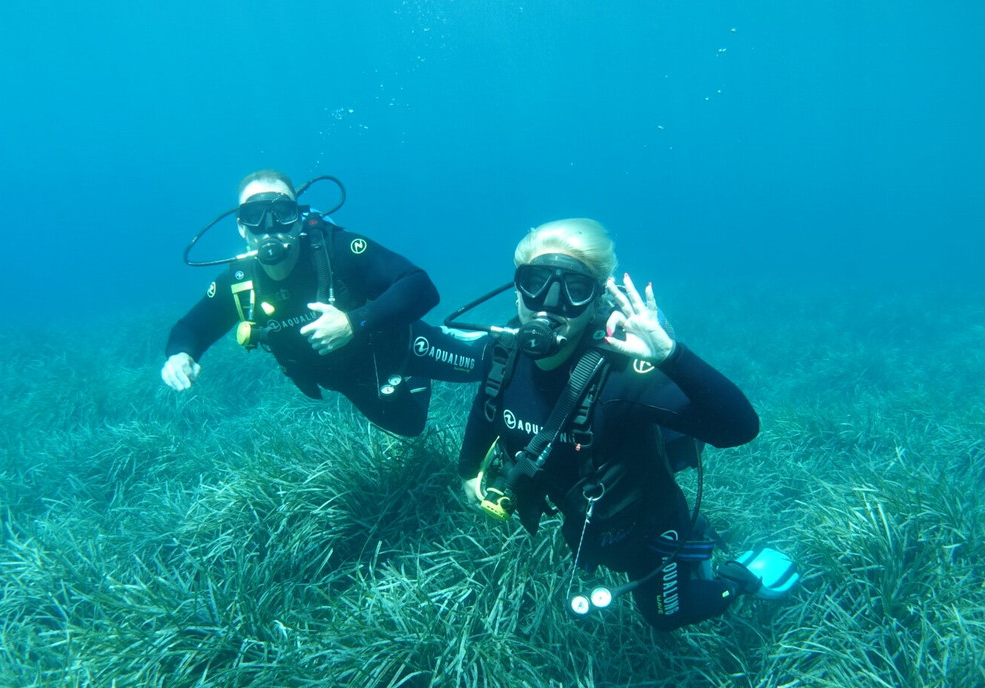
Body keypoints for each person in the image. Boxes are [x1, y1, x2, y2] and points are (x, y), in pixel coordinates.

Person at [457, 218, 798, 631]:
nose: (550, 303)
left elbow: (739, 428)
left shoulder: (622, 377)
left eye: (575, 289)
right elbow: (486, 406)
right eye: (536, 282)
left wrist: (670, 357)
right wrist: (468, 469)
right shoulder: (502, 351)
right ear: (517, 290)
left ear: (596, 301)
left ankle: (739, 579)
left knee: (667, 616)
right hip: (582, 514)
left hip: (648, 526)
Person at [162, 169, 487, 436]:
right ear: (241, 226)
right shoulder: (240, 283)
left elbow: (421, 287)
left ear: (299, 217)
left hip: (402, 344)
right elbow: (191, 328)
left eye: (282, 213)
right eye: (254, 216)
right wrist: (180, 355)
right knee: (411, 426)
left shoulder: (337, 251)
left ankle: (451, 339)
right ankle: (415, 380)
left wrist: (353, 322)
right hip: (350, 379)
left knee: (485, 366)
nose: (269, 228)